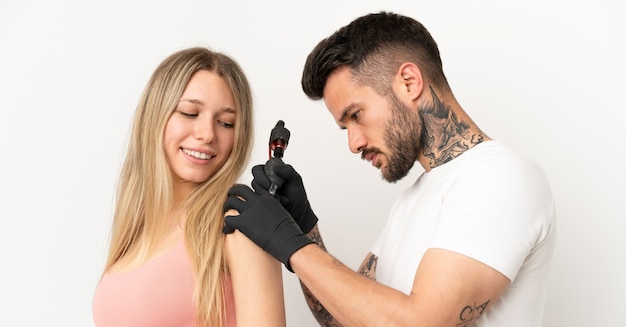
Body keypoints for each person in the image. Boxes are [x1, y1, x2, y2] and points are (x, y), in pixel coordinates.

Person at [223, 11, 557, 327]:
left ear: (409, 82)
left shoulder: (502, 178)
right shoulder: (413, 200)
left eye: (356, 115)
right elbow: (343, 319)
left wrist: (291, 244)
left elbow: (420, 323)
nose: (353, 143)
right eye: (345, 128)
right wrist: (304, 225)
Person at [93, 47, 286, 327]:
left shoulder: (240, 225)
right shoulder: (135, 232)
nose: (207, 134)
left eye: (225, 122)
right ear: (155, 116)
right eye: (189, 113)